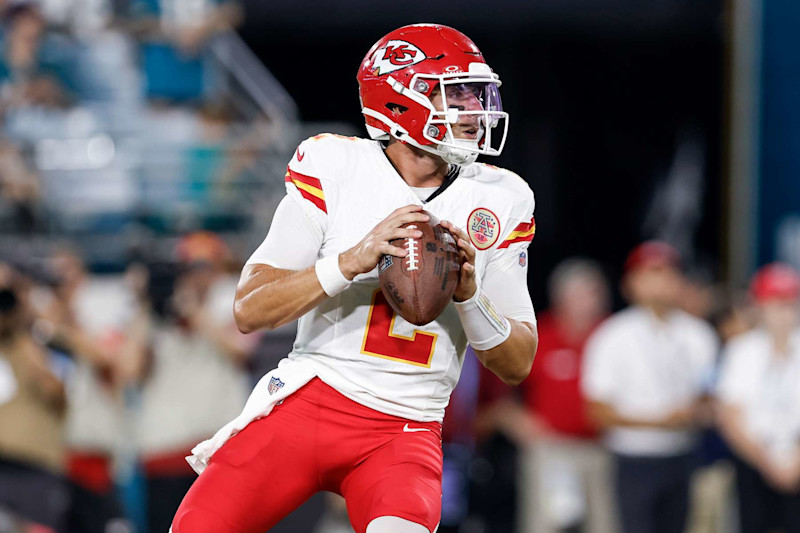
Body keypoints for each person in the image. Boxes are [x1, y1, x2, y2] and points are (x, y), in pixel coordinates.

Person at [173, 23, 539, 533]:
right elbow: (249, 309)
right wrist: (350, 260)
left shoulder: (500, 197)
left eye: (477, 94)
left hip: (406, 429)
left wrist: (470, 295)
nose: (475, 111)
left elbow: (517, 363)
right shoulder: (336, 165)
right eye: (455, 94)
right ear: (398, 101)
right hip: (311, 402)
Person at [582, 241, 718, 533]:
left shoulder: (699, 335)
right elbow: (597, 411)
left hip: (683, 456)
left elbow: (709, 395)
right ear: (631, 283)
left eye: (668, 274)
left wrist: (697, 412)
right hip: (633, 457)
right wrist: (660, 421)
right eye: (650, 274)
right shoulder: (611, 336)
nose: (660, 283)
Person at [121, 232, 253, 533]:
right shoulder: (151, 319)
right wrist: (146, 305)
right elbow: (128, 372)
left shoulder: (234, 306)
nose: (198, 278)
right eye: (190, 270)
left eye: (205, 269)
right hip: (164, 449)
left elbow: (240, 351)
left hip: (218, 447)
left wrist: (193, 310)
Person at [487, 258, 615, 533]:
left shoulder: (612, 335)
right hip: (551, 450)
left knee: (603, 524)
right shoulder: (539, 333)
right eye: (581, 293)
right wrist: (518, 422)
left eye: (595, 293)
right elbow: (501, 390)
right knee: (545, 525)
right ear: (562, 297)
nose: (589, 301)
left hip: (601, 449)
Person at [716, 263, 800, 533]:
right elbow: (730, 415)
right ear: (759, 307)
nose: (782, 313)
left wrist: (796, 461)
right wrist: (766, 462)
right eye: (774, 303)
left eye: (788, 303)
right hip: (755, 461)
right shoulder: (741, 351)